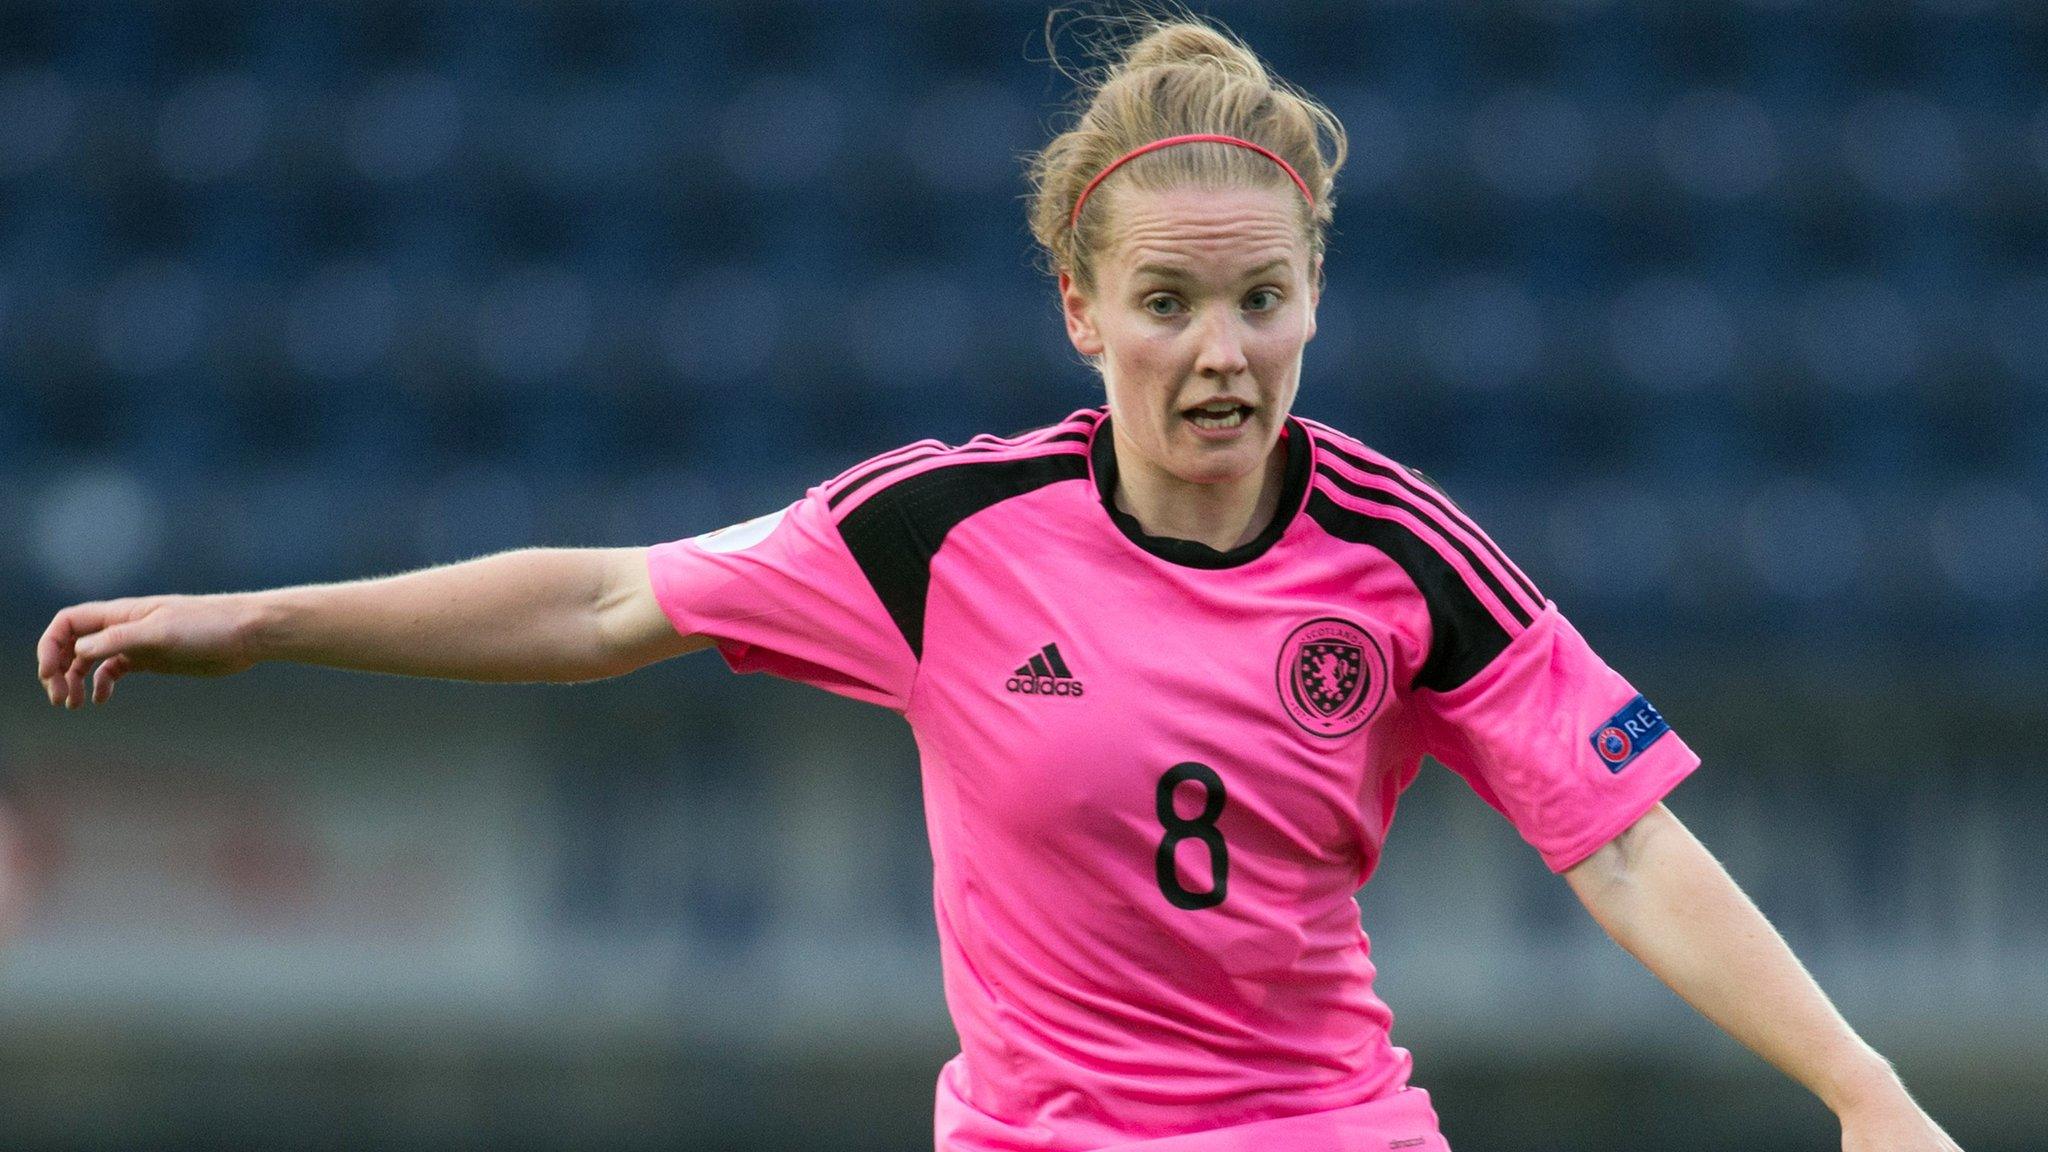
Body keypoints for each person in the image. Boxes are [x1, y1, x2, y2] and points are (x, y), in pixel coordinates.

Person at [34, 14, 1963, 1152]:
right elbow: (615, 604)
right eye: (1172, 303)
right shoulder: (937, 534)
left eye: (1264, 301)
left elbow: (1619, 840)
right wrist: (263, 616)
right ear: (1081, 311)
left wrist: (1866, 1094)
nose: (1223, 351)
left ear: (1316, 302)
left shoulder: (1402, 560)